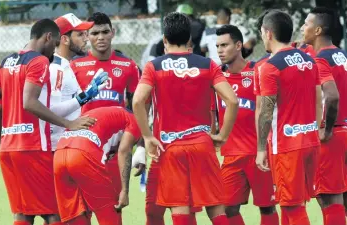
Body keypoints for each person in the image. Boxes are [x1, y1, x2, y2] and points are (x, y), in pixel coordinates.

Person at [0, 19, 95, 225]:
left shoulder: (6, 62)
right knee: (54, 213)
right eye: (54, 46)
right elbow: (29, 102)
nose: (53, 53)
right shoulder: (39, 61)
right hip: (34, 146)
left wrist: (5, 143)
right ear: (48, 37)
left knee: (23, 214)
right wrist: (68, 124)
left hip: (8, 150)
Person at [133, 12, 238, 225]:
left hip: (170, 147)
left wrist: (147, 136)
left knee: (179, 208)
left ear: (164, 39)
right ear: (189, 39)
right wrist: (223, 135)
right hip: (202, 144)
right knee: (216, 209)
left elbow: (137, 101)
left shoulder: (155, 66)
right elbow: (232, 101)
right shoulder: (208, 64)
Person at [301, 7, 347, 225]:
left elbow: (331, 97)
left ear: (318, 30)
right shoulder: (342, 55)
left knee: (329, 200)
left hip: (331, 139)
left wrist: (327, 129)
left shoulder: (321, 59)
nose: (303, 27)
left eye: (306, 24)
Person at [70, 11, 141, 223]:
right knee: (82, 213)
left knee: (112, 212)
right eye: (94, 33)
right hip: (84, 150)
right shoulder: (74, 67)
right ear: (87, 36)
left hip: (113, 153)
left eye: (105, 32)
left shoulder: (128, 66)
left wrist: (141, 145)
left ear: (113, 33)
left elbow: (139, 107)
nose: (100, 37)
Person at [256, 10, 322, 225]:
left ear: (268, 33)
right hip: (310, 140)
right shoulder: (309, 60)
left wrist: (260, 149)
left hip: (286, 146)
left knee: (293, 208)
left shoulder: (270, 67)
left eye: (261, 33)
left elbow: (266, 112)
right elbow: (318, 98)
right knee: (291, 204)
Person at [216, 24, 279, 225]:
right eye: (217, 46)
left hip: (258, 153)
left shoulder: (257, 71)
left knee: (267, 207)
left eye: (224, 45)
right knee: (226, 209)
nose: (220, 50)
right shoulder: (215, 76)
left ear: (238, 45)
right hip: (231, 154)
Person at [54, 106, 140, 225]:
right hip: (83, 152)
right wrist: (124, 191)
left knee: (77, 216)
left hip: (59, 153)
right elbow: (124, 150)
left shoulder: (108, 113)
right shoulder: (135, 120)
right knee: (109, 213)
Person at [50, 13, 109, 150]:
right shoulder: (55, 68)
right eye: (80, 35)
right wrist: (86, 96)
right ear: (65, 39)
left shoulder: (65, 65)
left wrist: (86, 93)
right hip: (55, 147)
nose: (86, 38)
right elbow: (50, 112)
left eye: (85, 34)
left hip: (65, 145)